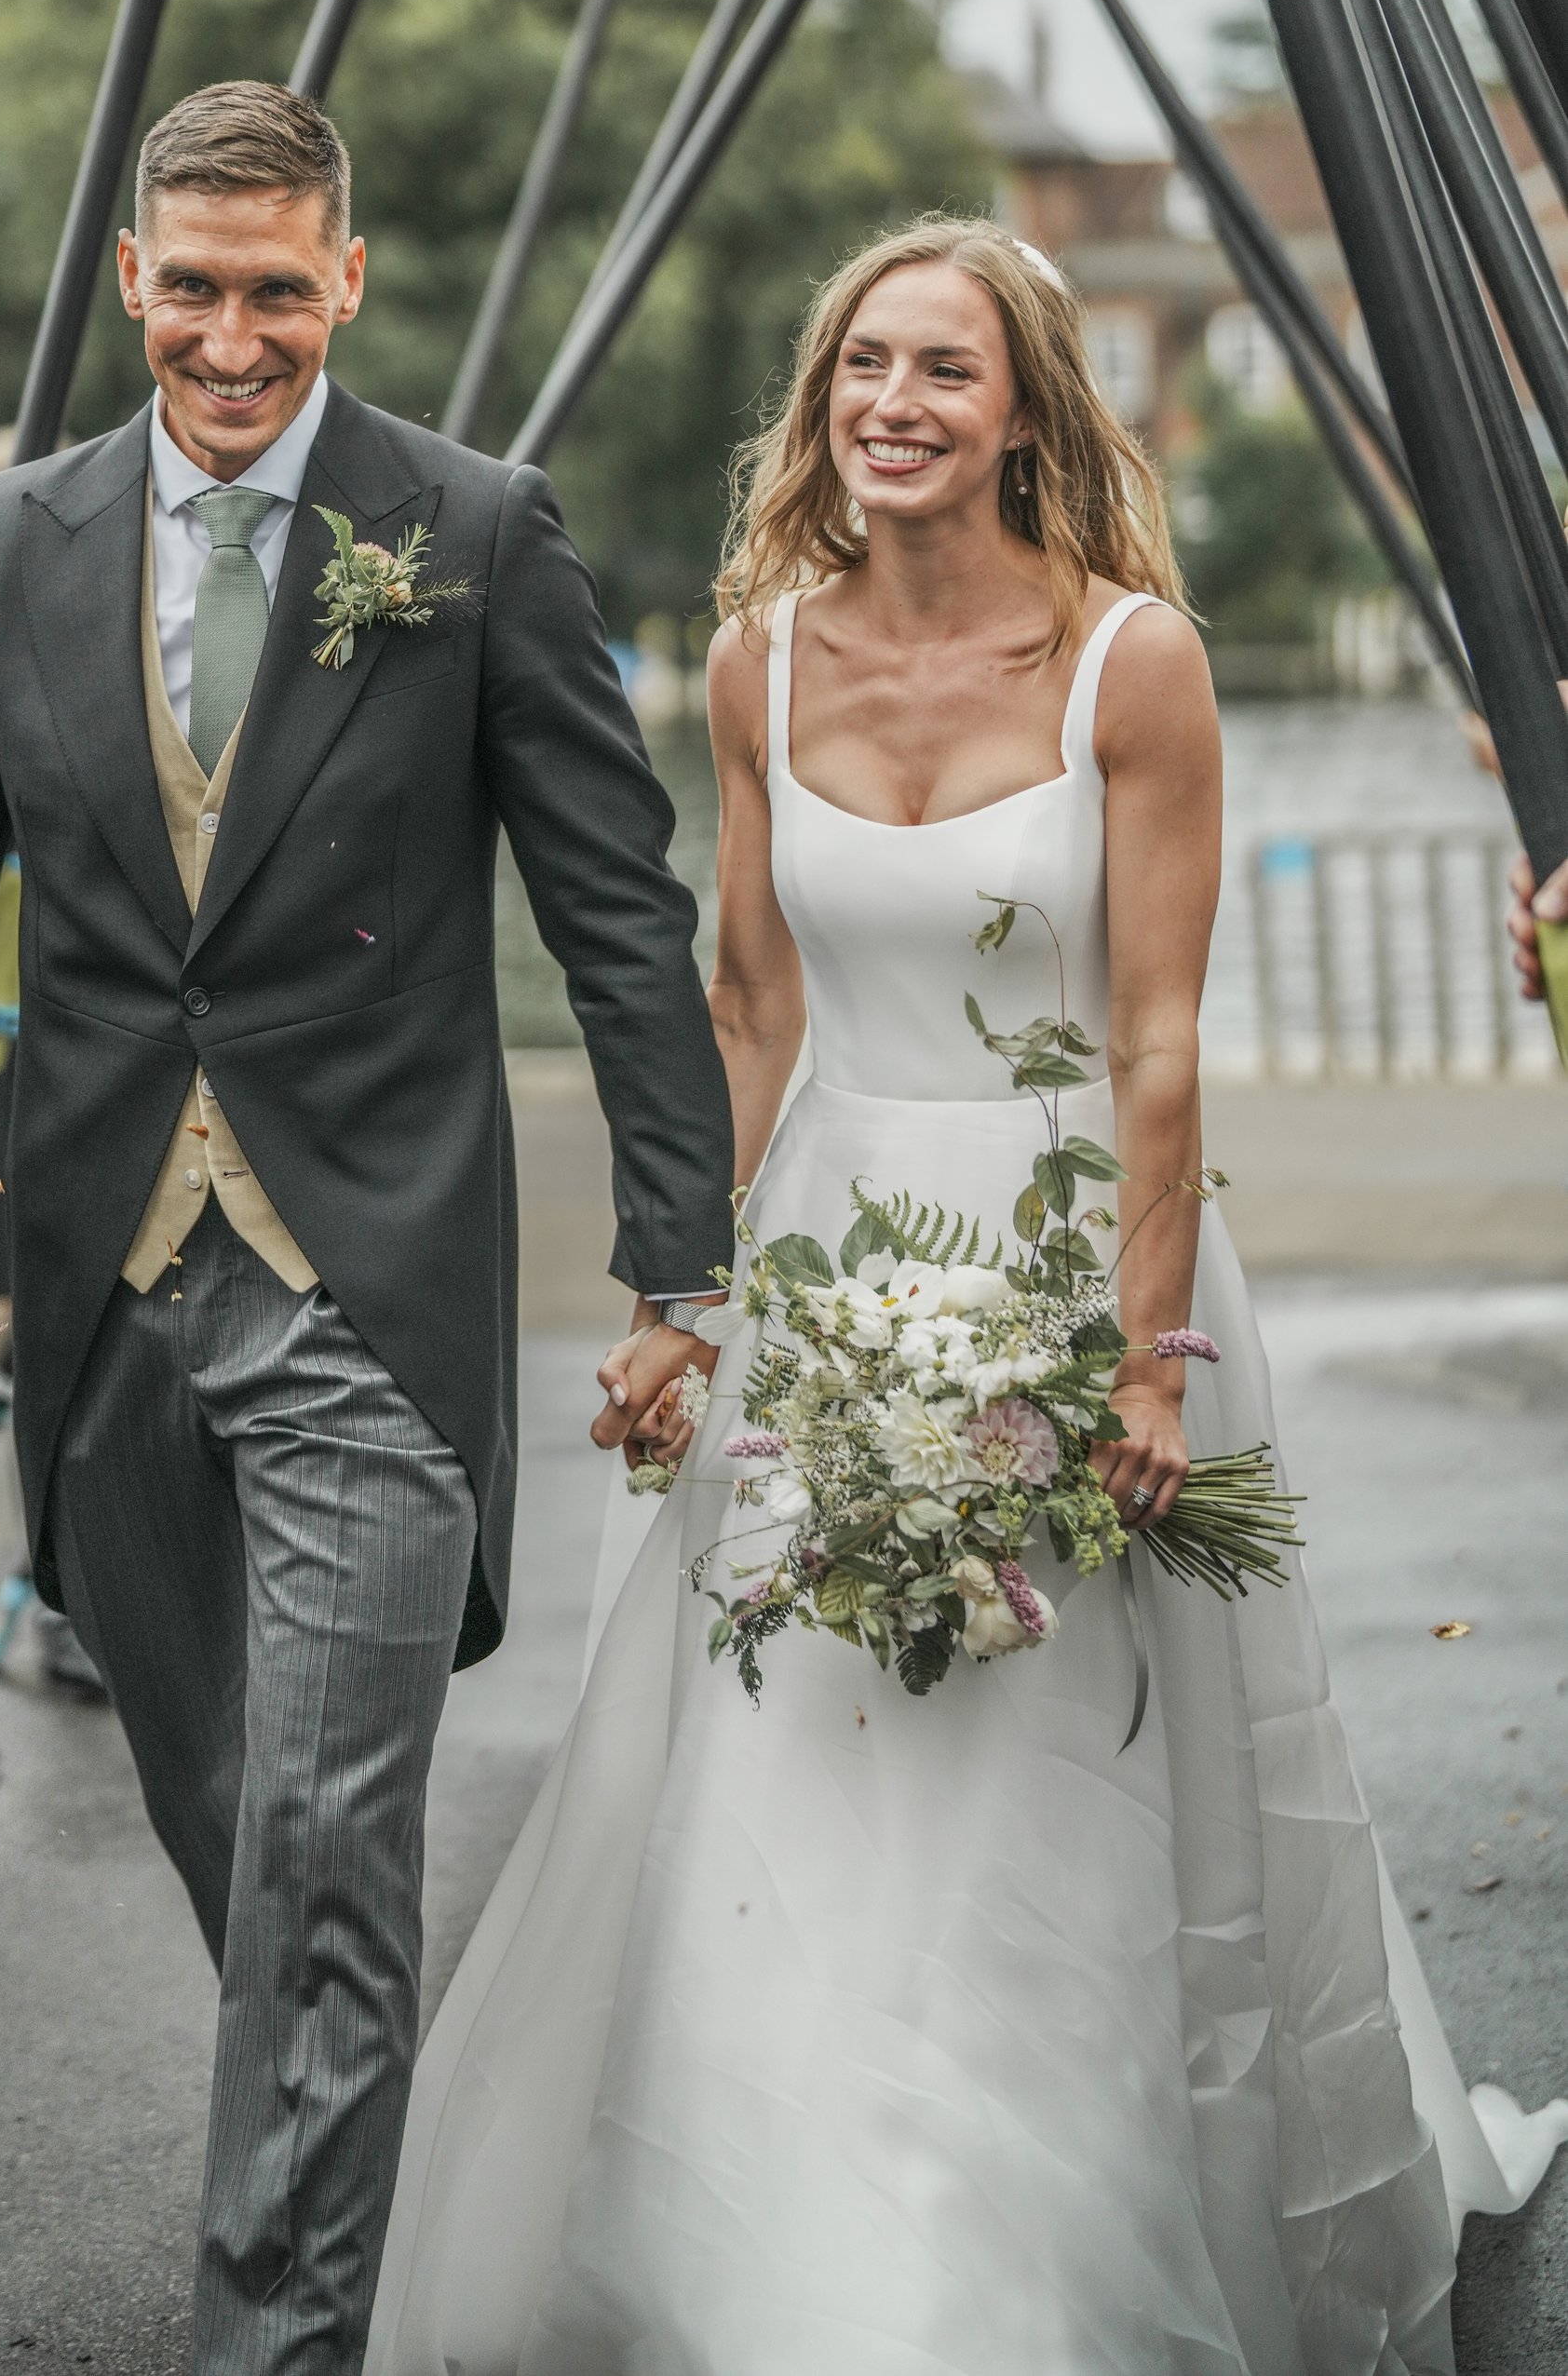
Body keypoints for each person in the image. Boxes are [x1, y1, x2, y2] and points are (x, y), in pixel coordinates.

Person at [369, 218, 1568, 2376]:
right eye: (857, 369)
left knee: (1060, 1764)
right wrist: (682, 1298)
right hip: (828, 1261)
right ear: (819, 403)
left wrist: (1143, 1356)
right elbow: (744, 1004)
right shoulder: (755, 661)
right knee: (794, 1747)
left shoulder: (1136, 664)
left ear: (1021, 408)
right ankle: (781, 2248)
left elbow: (1157, 1043)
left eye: (938, 370)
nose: (890, 408)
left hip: (1068, 1256)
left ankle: (1041, 2236)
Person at [0, 78, 734, 2373]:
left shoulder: (474, 531)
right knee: (247, 1849)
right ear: (129, 278)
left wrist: (678, 1264)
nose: (231, 339)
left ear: (346, 278)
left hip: (366, 1292)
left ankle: (273, 2342)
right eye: (190, 290)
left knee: (319, 1854)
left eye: (273, 293)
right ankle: (379, 2206)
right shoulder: (14, 542)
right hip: (101, 1290)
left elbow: (618, 913)